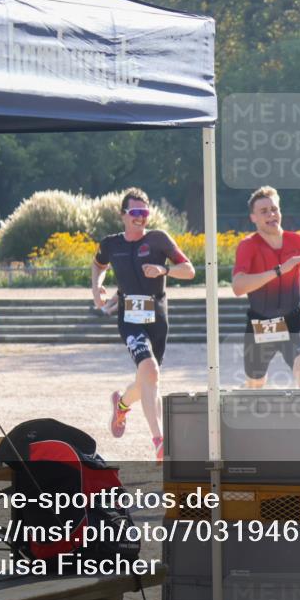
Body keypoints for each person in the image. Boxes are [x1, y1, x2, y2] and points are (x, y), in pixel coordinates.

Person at [92, 188, 195, 461]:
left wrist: (165, 270)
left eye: (144, 213)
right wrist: (97, 288)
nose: (140, 218)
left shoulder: (158, 239)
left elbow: (190, 270)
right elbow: (98, 265)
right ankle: (159, 442)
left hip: (158, 320)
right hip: (129, 319)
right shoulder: (111, 244)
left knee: (148, 378)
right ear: (123, 215)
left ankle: (122, 404)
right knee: (149, 370)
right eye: (135, 212)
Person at [232, 186, 300, 389]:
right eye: (264, 211)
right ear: (253, 217)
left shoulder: (299, 240)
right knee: (256, 384)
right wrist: (279, 271)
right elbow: (238, 287)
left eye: (274, 209)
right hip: (261, 324)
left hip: (292, 321)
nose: (271, 215)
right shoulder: (248, 246)